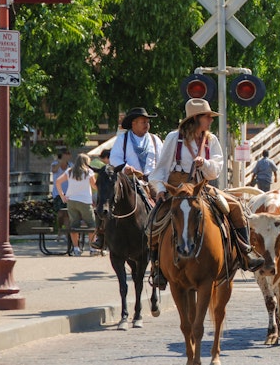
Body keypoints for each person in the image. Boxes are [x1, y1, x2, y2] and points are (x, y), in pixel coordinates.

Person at [147, 98, 264, 289]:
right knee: (153, 220)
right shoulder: (173, 138)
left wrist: (205, 163)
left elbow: (216, 170)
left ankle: (245, 252)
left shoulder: (211, 140)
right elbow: (159, 170)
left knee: (234, 207)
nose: (211, 120)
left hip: (201, 187)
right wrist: (160, 190)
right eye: (207, 117)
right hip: (177, 188)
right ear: (195, 119)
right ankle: (157, 267)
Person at [92, 109, 162, 250]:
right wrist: (125, 168)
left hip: (150, 180)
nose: (147, 124)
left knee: (164, 201)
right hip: (128, 179)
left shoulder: (155, 140)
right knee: (106, 197)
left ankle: (165, 234)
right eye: (143, 122)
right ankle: (101, 233)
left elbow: (162, 161)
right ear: (133, 123)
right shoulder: (122, 140)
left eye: (147, 122)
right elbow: (115, 158)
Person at [55, 154, 98, 256]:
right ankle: (92, 248)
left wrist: (62, 196)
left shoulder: (70, 171)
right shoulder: (89, 172)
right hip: (85, 201)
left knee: (74, 225)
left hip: (72, 201)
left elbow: (58, 182)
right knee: (91, 225)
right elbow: (94, 186)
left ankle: (76, 248)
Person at [51, 149, 72, 241]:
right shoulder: (55, 164)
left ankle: (67, 234)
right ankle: (59, 231)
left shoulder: (71, 165)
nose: (68, 156)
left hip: (69, 194)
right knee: (60, 214)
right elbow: (54, 170)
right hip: (58, 193)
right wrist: (61, 162)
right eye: (66, 154)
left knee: (67, 214)